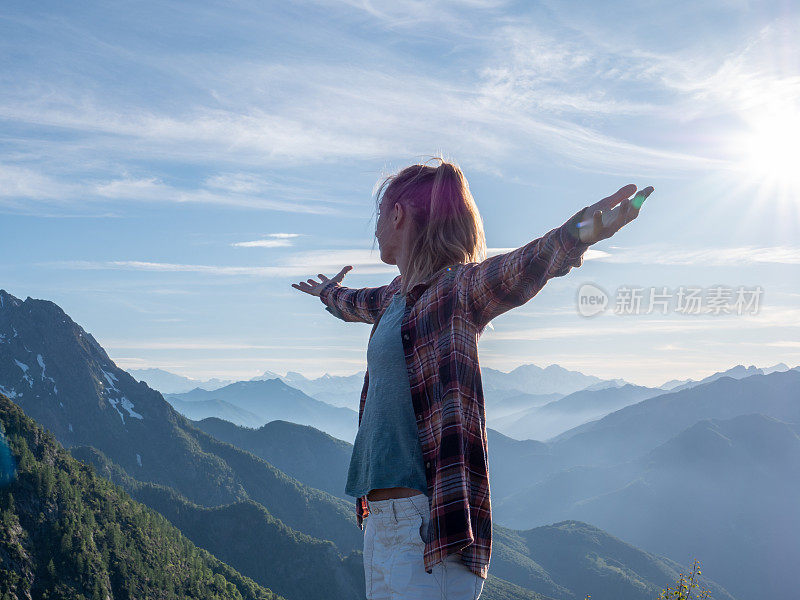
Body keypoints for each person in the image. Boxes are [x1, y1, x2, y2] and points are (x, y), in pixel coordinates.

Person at [291, 156, 652, 599]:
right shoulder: (392, 300)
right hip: (380, 527)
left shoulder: (455, 292)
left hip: (427, 532)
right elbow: (353, 302)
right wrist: (327, 292)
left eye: (380, 217)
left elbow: (527, 264)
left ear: (399, 214)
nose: (376, 231)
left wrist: (582, 233)